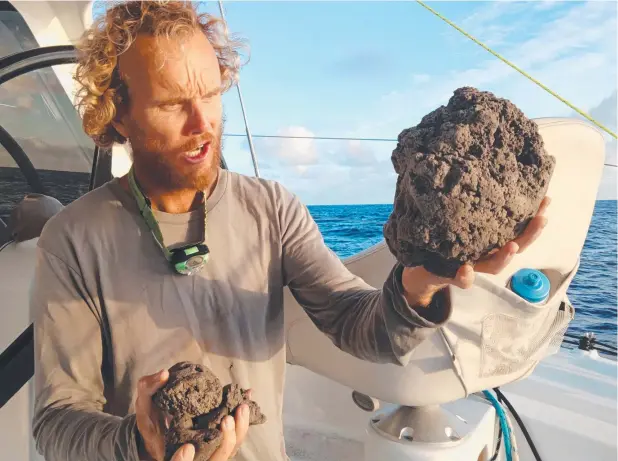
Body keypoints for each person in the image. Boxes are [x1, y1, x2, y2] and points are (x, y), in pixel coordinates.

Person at [29, 2, 549, 461]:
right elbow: (56, 420)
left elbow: (354, 322)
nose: (201, 123)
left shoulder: (272, 208)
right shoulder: (72, 239)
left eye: (210, 95)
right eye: (171, 104)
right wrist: (138, 447)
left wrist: (420, 285)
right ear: (118, 114)